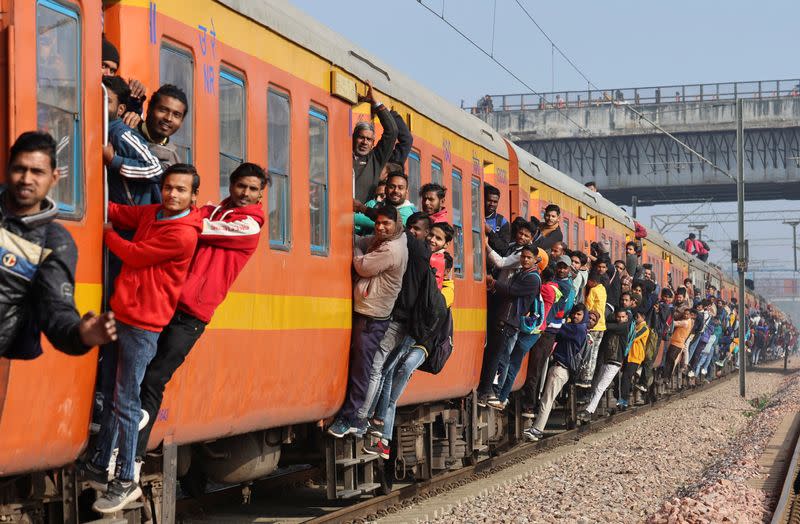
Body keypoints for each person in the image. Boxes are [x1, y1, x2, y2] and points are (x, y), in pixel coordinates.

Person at [82, 164, 202, 514]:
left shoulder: (183, 234)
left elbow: (134, 254)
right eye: (168, 187)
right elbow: (120, 211)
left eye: (181, 190)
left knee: (126, 400)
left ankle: (125, 480)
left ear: (193, 197)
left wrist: (107, 233)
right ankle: (99, 463)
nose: (172, 194)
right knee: (112, 392)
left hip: (144, 324)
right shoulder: (154, 213)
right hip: (123, 314)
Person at [136, 163, 268, 461]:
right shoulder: (211, 209)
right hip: (165, 300)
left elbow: (195, 226)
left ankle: (135, 453)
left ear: (261, 194)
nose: (245, 193)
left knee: (155, 377)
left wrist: (183, 215)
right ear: (231, 185)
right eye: (240, 186)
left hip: (191, 315)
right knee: (137, 369)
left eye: (252, 189)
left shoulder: (248, 225)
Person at [0, 131, 116, 359]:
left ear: (53, 177)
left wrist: (81, 335)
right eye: (19, 169)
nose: (26, 179)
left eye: (37, 172)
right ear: (8, 169)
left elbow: (56, 310)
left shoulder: (54, 242)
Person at [364, 252, 455, 459]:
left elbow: (435, 305)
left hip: (424, 343)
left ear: (446, 271)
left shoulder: (447, 291)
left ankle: (381, 432)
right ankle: (383, 438)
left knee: (399, 372)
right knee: (389, 374)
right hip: (413, 335)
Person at [328, 206, 408, 438]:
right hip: (369, 311)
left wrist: (352, 247)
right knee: (360, 366)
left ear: (396, 224)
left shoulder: (392, 249)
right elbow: (365, 241)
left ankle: (352, 417)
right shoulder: (391, 239)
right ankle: (354, 416)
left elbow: (362, 266)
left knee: (362, 368)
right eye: (378, 223)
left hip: (373, 316)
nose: (381, 228)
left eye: (386, 224)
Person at [357, 212, 431, 443]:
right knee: (385, 371)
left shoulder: (415, 250)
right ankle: (377, 424)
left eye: (417, 229)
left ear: (426, 233)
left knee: (380, 369)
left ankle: (368, 421)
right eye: (410, 227)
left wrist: (363, 210)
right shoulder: (416, 251)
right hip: (404, 321)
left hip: (399, 320)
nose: (411, 232)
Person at [478, 244, 542, 404]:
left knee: (496, 357)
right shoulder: (524, 273)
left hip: (508, 320)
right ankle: (487, 390)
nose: (525, 260)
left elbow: (512, 291)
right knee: (494, 355)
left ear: (536, 260)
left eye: (529, 257)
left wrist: (493, 282)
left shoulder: (532, 278)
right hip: (505, 318)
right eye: (523, 257)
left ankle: (488, 391)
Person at [523, 305, 592, 441]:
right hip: (562, 369)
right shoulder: (581, 329)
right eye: (574, 314)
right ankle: (537, 428)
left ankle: (537, 430)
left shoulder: (576, 329)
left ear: (584, 316)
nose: (575, 317)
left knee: (546, 400)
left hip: (560, 369)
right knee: (547, 399)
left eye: (579, 314)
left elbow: (556, 328)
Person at [102, 75, 163, 207]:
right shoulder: (100, 130)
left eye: (107, 100)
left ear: (121, 109)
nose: (100, 103)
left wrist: (114, 161)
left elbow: (155, 168)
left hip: (137, 219)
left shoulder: (121, 134)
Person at [577, 308, 632, 421]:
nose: (620, 319)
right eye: (619, 317)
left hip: (615, 362)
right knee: (596, 385)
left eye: (623, 317)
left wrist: (602, 324)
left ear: (626, 318)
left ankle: (588, 411)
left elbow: (610, 326)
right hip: (606, 360)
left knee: (600, 387)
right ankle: (588, 408)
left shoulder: (624, 327)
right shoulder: (615, 325)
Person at [353, 81, 398, 203]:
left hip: (363, 218)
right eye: (361, 137)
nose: (364, 142)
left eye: (369, 139)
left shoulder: (376, 160)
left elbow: (392, 131)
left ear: (373, 143)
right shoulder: (344, 156)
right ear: (353, 138)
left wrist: (376, 104)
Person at [139, 84, 188, 169]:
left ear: (181, 121)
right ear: (149, 109)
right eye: (163, 110)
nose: (168, 118)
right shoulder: (126, 133)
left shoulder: (175, 162)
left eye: (176, 115)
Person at [102, 36, 146, 126]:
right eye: (103, 66)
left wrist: (135, 102)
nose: (107, 74)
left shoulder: (115, 98)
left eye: (112, 71)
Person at [575, 271, 607, 388]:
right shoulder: (602, 289)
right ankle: (588, 379)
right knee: (594, 354)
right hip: (601, 326)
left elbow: (587, 308)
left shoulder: (593, 291)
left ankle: (584, 378)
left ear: (592, 281)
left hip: (593, 327)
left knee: (588, 353)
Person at [617, 308, 650, 409]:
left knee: (626, 377)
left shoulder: (644, 328)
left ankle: (624, 400)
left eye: (637, 317)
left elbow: (633, 337)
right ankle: (626, 397)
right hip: (630, 355)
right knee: (625, 377)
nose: (636, 319)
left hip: (636, 356)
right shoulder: (636, 326)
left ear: (643, 317)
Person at [484, 184, 510, 252]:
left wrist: (490, 231)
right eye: (489, 200)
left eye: (495, 202)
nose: (492, 204)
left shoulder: (502, 222)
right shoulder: (473, 217)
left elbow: (504, 248)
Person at [427, 222, 453, 289]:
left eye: (438, 238)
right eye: (431, 234)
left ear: (446, 244)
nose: (432, 240)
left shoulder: (439, 260)